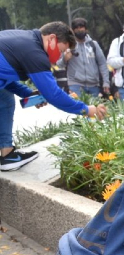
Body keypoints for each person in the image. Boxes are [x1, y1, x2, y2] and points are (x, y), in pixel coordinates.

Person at [0, 22, 107, 171]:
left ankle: (7, 154)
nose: (60, 56)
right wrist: (87, 110)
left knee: (5, 98)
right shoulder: (35, 53)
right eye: (61, 50)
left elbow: (4, 80)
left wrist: (29, 94)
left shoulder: (25, 41)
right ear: (51, 39)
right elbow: (54, 95)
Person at [57, 18, 110, 97]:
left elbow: (102, 63)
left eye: (81, 27)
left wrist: (106, 82)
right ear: (72, 31)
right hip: (75, 85)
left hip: (94, 85)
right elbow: (59, 64)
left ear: (86, 29)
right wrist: (65, 58)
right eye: (76, 28)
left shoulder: (93, 44)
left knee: (95, 105)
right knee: (78, 105)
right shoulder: (68, 45)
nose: (79, 30)